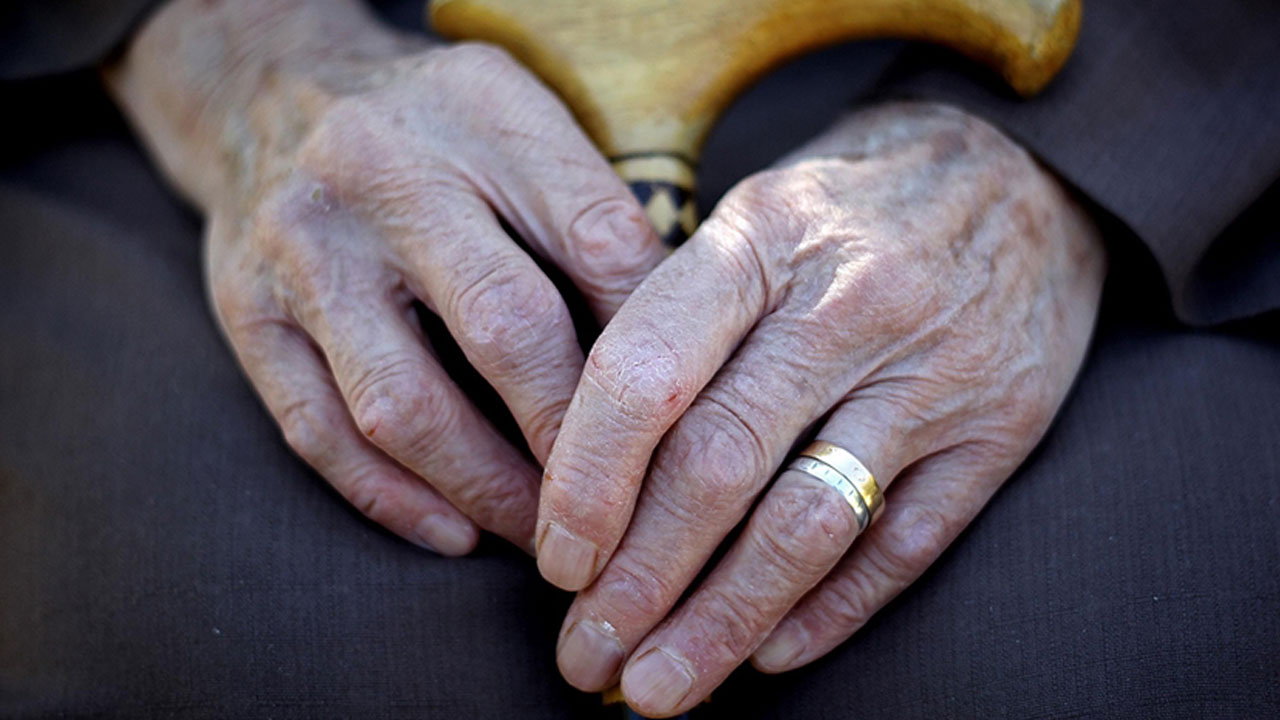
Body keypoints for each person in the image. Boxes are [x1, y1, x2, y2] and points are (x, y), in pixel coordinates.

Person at [2, 0, 1277, 717]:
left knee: (1123, 633)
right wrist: (231, 50)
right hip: (265, 94)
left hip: (1072, 117)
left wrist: (1073, 146)